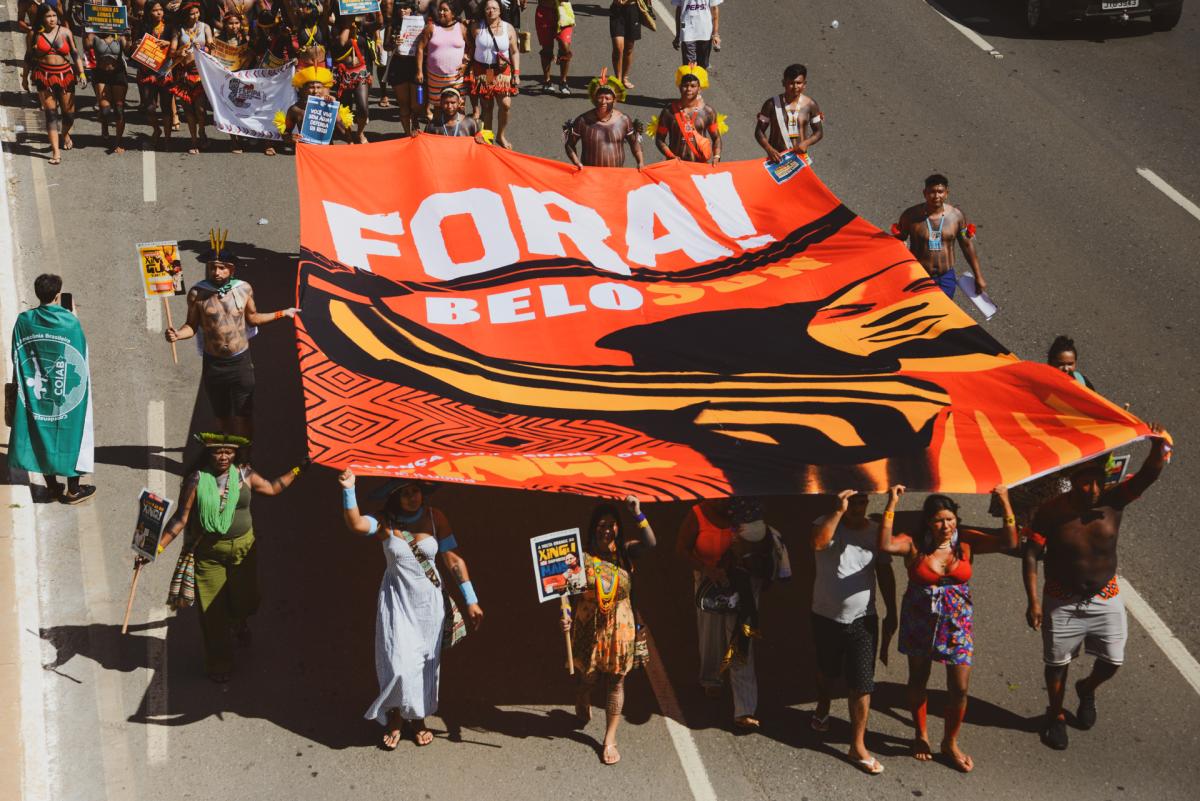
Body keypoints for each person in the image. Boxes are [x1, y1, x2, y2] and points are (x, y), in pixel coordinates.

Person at [1023, 429, 1170, 751]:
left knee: (1112, 662)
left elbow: (1149, 474)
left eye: (1096, 482)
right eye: (1085, 483)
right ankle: (1055, 713)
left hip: (1106, 596)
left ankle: (1087, 688)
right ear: (1072, 482)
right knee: (1056, 663)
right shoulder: (1051, 512)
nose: (1092, 490)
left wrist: (1161, 446)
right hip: (1060, 600)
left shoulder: (1114, 501)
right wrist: (1033, 601)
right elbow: (1031, 554)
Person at [339, 471, 484, 749]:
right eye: (405, 492)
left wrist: (471, 598)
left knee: (425, 665)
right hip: (396, 601)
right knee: (398, 663)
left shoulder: (435, 517)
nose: (412, 496)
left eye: (416, 490)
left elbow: (452, 559)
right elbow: (355, 524)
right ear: (394, 496)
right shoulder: (384, 522)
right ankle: (395, 714)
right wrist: (349, 489)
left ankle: (416, 718)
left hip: (429, 605)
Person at [876, 485, 1017, 773]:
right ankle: (921, 735)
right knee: (918, 678)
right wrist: (891, 502)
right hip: (919, 620)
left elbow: (1009, 542)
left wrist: (1005, 501)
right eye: (939, 520)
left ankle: (950, 743)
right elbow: (886, 545)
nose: (946, 525)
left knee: (960, 687)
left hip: (957, 623)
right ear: (929, 521)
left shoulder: (965, 544)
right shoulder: (914, 544)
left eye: (950, 519)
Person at [147, 433, 307, 682]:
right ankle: (219, 662)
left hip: (244, 550)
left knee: (247, 599)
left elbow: (274, 487)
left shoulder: (245, 475)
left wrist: (300, 468)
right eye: (217, 452)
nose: (223, 456)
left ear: (236, 454)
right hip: (209, 556)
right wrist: (153, 550)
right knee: (212, 612)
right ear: (208, 454)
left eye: (228, 452)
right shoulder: (197, 480)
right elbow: (180, 520)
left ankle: (239, 620)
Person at [164, 232, 299, 437]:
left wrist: (282, 313)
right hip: (214, 364)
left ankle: (244, 457)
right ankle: (226, 452)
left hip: (240, 363)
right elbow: (191, 326)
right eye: (212, 267)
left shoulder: (244, 289)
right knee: (221, 416)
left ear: (231, 269)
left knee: (244, 415)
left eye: (221, 268)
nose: (216, 272)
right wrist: (177, 335)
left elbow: (253, 319)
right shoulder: (197, 293)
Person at [810, 491, 897, 775]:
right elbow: (819, 543)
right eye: (852, 502)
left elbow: (884, 572)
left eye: (862, 501)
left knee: (862, 682)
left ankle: (857, 745)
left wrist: (892, 612)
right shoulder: (824, 523)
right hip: (825, 616)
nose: (857, 507)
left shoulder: (875, 532)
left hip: (863, 619)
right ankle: (823, 704)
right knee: (827, 672)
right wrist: (838, 512)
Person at [564, 496, 656, 765]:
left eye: (612, 525)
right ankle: (582, 694)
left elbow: (651, 543)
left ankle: (610, 738)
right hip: (588, 626)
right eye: (602, 524)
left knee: (616, 681)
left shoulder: (625, 552)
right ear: (593, 528)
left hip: (621, 626)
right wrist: (566, 617)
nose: (607, 529)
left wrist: (638, 514)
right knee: (588, 678)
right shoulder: (581, 558)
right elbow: (567, 594)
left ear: (618, 528)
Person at [7, 273, 96, 505]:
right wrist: (72, 315)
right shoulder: (70, 322)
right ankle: (74, 489)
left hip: (36, 390)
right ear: (58, 295)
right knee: (72, 432)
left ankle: (52, 486)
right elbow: (80, 353)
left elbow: (16, 353)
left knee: (40, 430)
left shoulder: (24, 320)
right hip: (66, 389)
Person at [677, 498, 760, 730]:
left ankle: (745, 708)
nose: (725, 501)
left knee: (741, 642)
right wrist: (706, 569)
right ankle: (711, 677)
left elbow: (759, 544)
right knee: (710, 635)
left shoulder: (745, 511)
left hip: (741, 584)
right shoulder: (697, 515)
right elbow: (682, 549)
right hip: (709, 584)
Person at [893, 174, 988, 298]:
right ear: (924, 193)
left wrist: (978, 276)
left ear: (946, 193)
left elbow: (967, 245)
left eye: (940, 191)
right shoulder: (911, 216)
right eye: (932, 192)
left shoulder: (956, 216)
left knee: (942, 315)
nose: (936, 196)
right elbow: (897, 241)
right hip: (918, 275)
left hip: (945, 278)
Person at [20, 3, 86, 165]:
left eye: (54, 16)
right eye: (48, 16)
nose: (52, 19)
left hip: (66, 76)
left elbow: (75, 53)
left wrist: (81, 73)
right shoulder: (33, 34)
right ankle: (56, 152)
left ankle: (65, 134)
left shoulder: (65, 32)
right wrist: (25, 77)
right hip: (44, 76)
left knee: (69, 114)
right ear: (42, 18)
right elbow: (29, 57)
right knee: (50, 115)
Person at [466, 0, 519, 148]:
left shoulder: (509, 29)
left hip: (502, 72)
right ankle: (488, 136)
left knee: (505, 104)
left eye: (494, 8)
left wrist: (517, 73)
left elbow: (514, 52)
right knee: (487, 106)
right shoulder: (476, 27)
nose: (491, 11)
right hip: (485, 71)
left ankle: (501, 135)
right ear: (484, 11)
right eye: (488, 8)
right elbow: (469, 45)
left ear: (500, 11)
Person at [564, 73, 643, 169]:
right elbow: (570, 145)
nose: (603, 102)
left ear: (614, 101)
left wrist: (640, 162)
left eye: (607, 98)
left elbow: (634, 143)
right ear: (594, 99)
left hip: (617, 175)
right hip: (591, 176)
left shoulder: (624, 120)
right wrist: (577, 163)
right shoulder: (582, 121)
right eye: (600, 98)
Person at [754, 63, 822, 166]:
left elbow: (819, 132)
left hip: (800, 161)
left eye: (798, 83)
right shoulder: (771, 104)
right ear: (783, 83)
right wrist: (769, 149)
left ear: (804, 84)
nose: (795, 87)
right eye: (791, 83)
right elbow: (759, 131)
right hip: (776, 159)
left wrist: (806, 143)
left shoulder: (810, 105)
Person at [169, 0, 214, 154]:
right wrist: (178, 52)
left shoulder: (205, 27)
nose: (195, 16)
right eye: (192, 13)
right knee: (188, 110)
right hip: (183, 76)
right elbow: (172, 51)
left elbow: (211, 44)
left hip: (200, 75)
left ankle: (202, 131)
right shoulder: (178, 30)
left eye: (197, 13)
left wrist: (208, 48)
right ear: (185, 15)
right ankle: (194, 140)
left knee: (201, 109)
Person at [654, 65, 722, 164]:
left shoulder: (708, 112)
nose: (688, 89)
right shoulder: (668, 112)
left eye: (693, 86)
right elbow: (659, 139)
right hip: (675, 167)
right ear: (680, 87)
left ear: (699, 89)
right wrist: (671, 156)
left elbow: (716, 138)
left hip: (699, 167)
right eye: (685, 85)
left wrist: (717, 156)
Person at [275, 63, 356, 146]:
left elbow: (345, 134)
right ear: (303, 88)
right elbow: (285, 134)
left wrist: (334, 109)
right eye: (311, 87)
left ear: (323, 89)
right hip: (308, 153)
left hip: (327, 151)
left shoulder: (329, 107)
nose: (315, 91)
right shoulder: (295, 109)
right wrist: (290, 138)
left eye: (318, 87)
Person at [417, 1, 469, 121]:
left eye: (445, 10)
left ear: (453, 14)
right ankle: (439, 135)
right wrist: (419, 71)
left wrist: (466, 63)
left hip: (456, 77)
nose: (441, 12)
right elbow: (420, 48)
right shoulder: (431, 28)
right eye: (440, 10)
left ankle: (459, 136)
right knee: (439, 108)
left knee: (459, 107)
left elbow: (472, 46)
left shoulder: (461, 28)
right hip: (435, 78)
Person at [84, 17, 129, 153]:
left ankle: (118, 142)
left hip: (118, 74)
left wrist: (129, 36)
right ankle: (104, 123)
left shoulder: (119, 36)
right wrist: (87, 31)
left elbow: (128, 51)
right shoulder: (94, 36)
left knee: (119, 110)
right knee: (105, 110)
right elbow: (87, 46)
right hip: (101, 75)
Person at [134, 1, 174, 148]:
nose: (158, 13)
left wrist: (168, 43)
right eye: (155, 10)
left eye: (161, 10)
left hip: (164, 72)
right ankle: (157, 130)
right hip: (147, 70)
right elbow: (134, 45)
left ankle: (168, 138)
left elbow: (176, 45)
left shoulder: (170, 27)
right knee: (149, 107)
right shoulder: (143, 26)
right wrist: (137, 44)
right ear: (148, 12)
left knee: (166, 107)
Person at [332, 14, 373, 143]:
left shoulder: (362, 26)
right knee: (346, 107)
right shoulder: (336, 28)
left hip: (360, 72)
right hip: (343, 73)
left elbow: (379, 24)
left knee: (363, 106)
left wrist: (378, 10)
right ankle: (348, 132)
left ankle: (360, 132)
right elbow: (342, 42)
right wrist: (348, 25)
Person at [534, 0, 572, 94]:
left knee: (565, 47)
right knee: (547, 48)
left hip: (563, 10)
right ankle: (547, 81)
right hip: (544, 12)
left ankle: (563, 82)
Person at [672, 0, 720, 68]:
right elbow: (679, 10)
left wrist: (715, 34)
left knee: (701, 69)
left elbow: (715, 8)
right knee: (689, 69)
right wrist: (678, 35)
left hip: (705, 33)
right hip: (687, 31)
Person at [607, 0, 639, 89]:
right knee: (618, 47)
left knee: (629, 48)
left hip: (632, 10)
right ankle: (618, 79)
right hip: (616, 11)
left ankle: (624, 77)